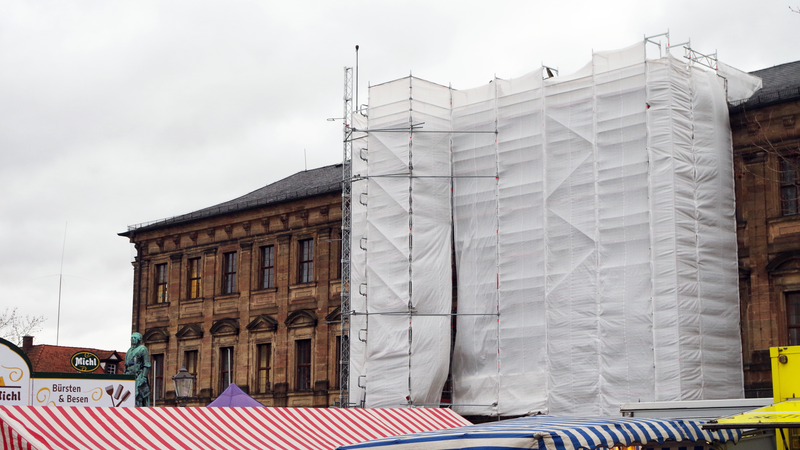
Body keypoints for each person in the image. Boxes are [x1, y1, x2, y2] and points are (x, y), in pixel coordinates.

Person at [124, 332, 151, 407]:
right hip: (128, 375)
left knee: (137, 395)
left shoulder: (143, 349)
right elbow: (126, 364)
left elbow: (147, 364)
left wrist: (144, 377)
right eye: (131, 338)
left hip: (138, 375)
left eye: (134, 338)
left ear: (139, 339)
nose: (132, 340)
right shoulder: (129, 350)